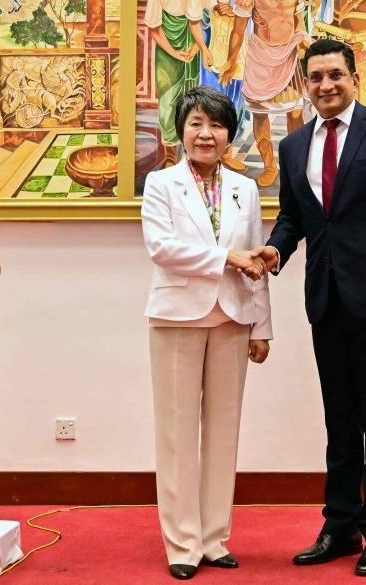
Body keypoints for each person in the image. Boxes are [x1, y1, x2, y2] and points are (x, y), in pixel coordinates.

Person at [255, 39, 366, 577]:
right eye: (315, 77)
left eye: (335, 74)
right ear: (305, 85)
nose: (326, 85)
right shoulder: (294, 146)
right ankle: (340, 526)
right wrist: (275, 250)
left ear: (354, 78)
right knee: (339, 418)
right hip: (326, 297)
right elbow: (295, 218)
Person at [142, 86, 272, 581]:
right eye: (196, 123)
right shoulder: (161, 183)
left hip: (233, 318)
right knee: (177, 433)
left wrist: (262, 326)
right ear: (182, 130)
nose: (206, 133)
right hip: (177, 316)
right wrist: (225, 258)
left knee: (224, 431)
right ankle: (182, 543)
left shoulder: (245, 188)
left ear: (228, 135)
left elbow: (256, 262)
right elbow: (162, 248)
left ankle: (215, 538)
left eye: (216, 125)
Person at [223, 0, 311, 187]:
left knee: (295, 112)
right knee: (261, 114)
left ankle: (295, 165)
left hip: (289, 55)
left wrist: (303, 41)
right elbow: (238, 30)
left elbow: (299, 21)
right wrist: (231, 61)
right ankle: (270, 166)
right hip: (262, 57)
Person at [147, 0, 208, 165]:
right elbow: (154, 29)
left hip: (194, 47)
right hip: (168, 53)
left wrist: (196, 46)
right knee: (169, 101)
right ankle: (171, 154)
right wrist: (174, 53)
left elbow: (204, 16)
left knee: (195, 98)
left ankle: (193, 149)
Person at [194, 0, 248, 171]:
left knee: (235, 102)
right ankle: (207, 155)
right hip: (213, 51)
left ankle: (227, 153)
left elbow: (253, 13)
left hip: (239, 51)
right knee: (212, 102)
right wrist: (204, 49)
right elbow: (194, 21)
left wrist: (234, 11)